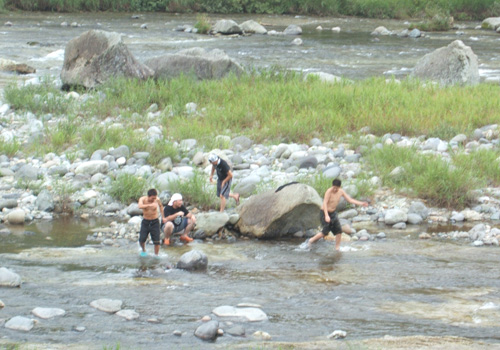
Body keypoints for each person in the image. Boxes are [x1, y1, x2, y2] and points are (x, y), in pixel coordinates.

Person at [307, 179, 369, 251]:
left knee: (339, 231)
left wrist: (361, 203)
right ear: (332, 186)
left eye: (337, 188)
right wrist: (326, 216)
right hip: (324, 212)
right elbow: (324, 203)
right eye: (334, 187)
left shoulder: (341, 191)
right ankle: (311, 241)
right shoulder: (329, 191)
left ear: (339, 187)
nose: (335, 189)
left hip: (333, 213)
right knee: (325, 232)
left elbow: (350, 200)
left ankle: (337, 248)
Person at [138, 188, 164, 257]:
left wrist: (163, 217)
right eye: (152, 198)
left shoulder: (157, 200)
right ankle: (143, 250)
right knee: (142, 239)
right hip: (145, 221)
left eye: (155, 198)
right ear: (148, 196)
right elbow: (140, 206)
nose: (154, 200)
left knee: (157, 241)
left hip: (155, 221)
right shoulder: (143, 199)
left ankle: (156, 255)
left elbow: (161, 206)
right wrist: (149, 205)